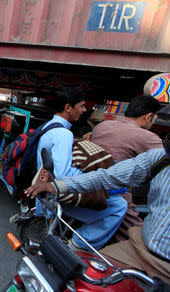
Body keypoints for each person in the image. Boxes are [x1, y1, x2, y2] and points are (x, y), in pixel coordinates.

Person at [25, 135, 170, 283]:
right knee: (82, 277)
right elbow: (107, 176)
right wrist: (56, 186)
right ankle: (76, 245)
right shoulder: (159, 157)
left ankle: (76, 244)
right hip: (138, 247)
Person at [35, 89, 127, 251]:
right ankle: (77, 245)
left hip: (46, 185)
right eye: (82, 106)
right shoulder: (63, 134)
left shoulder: (51, 126)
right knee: (119, 205)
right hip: (57, 192)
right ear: (68, 107)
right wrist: (94, 178)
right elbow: (63, 176)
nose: (85, 110)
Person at [89, 95, 163, 241]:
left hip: (89, 187)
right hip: (115, 194)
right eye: (154, 119)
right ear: (148, 117)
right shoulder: (147, 137)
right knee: (140, 239)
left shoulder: (102, 126)